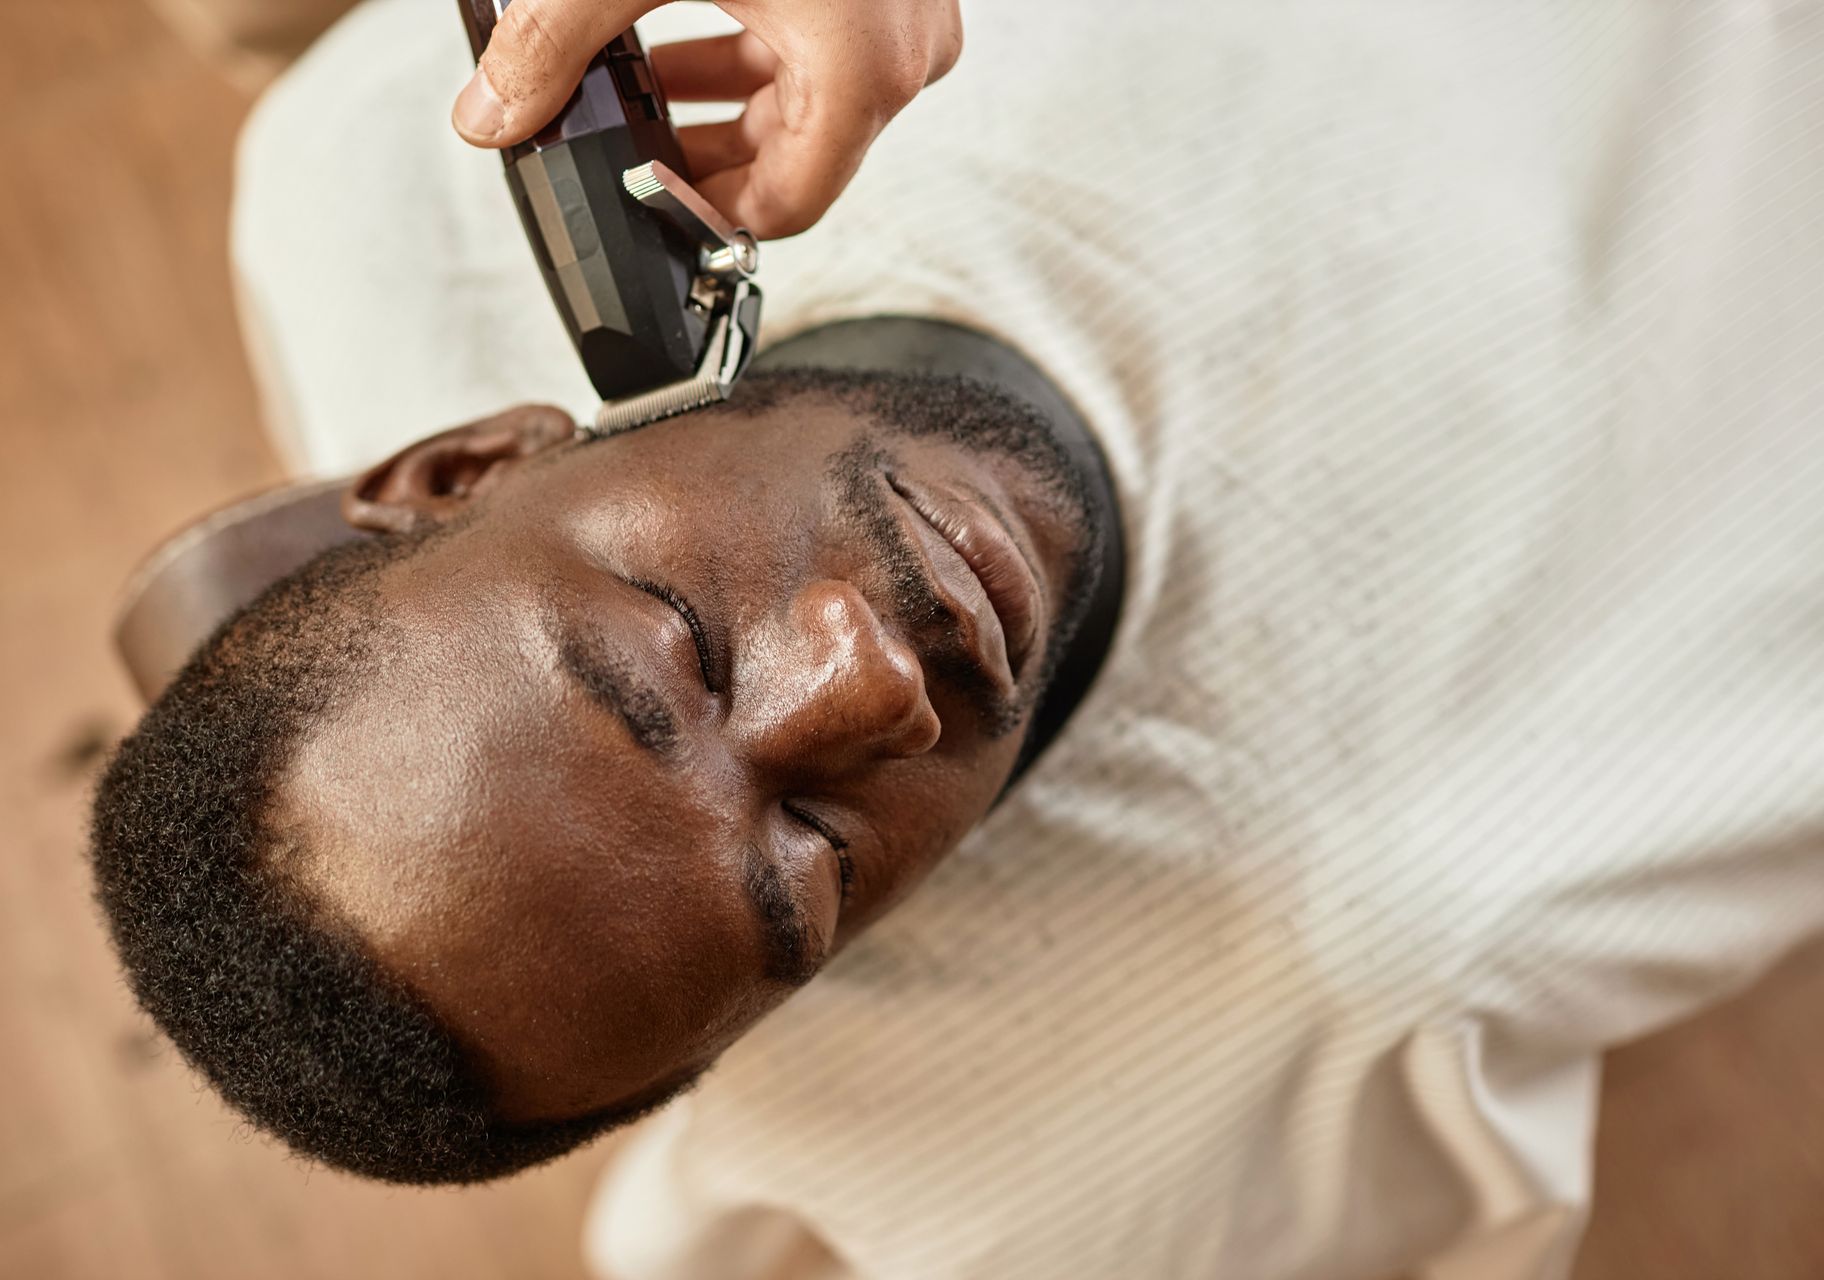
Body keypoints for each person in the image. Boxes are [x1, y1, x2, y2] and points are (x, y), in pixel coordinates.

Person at [99, 0, 1824, 1277]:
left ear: (469, 463)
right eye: (813, 867)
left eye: (677, 650)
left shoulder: (370, 173)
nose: (871, 684)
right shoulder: (1412, 918)